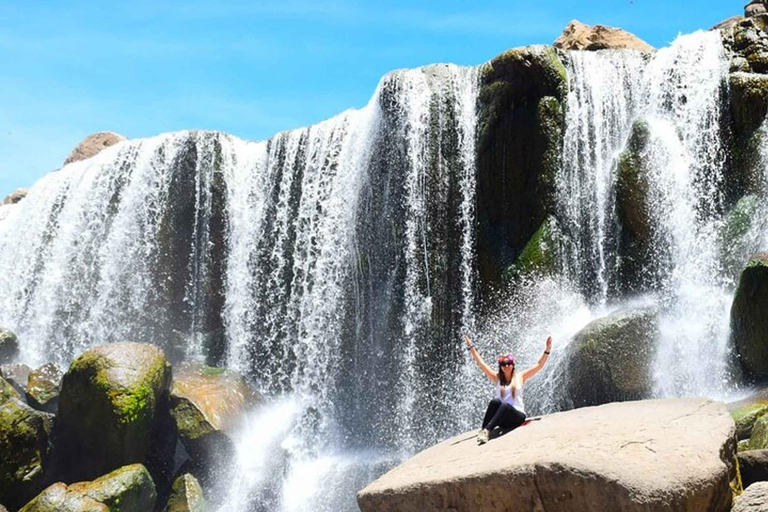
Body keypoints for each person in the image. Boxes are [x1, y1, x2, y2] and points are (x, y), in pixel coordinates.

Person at [463, 333, 552, 444]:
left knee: (505, 405)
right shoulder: (497, 377)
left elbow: (538, 365)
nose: (506, 366)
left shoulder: (520, 376)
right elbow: (481, 363)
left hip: (517, 417)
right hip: (503, 419)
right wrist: (471, 346)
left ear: (513, 364)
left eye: (509, 363)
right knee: (495, 402)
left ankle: (487, 430)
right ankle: (484, 430)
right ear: (500, 366)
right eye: (503, 364)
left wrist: (547, 350)